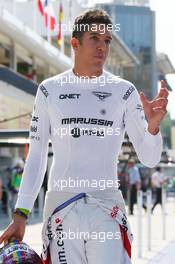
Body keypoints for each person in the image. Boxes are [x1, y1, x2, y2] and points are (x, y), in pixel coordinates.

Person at [0, 9, 169, 264]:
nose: (102, 47)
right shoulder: (49, 90)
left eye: (107, 41)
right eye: (94, 38)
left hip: (107, 210)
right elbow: (36, 157)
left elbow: (149, 158)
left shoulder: (124, 91)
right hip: (61, 210)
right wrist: (20, 213)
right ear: (75, 43)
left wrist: (153, 129)